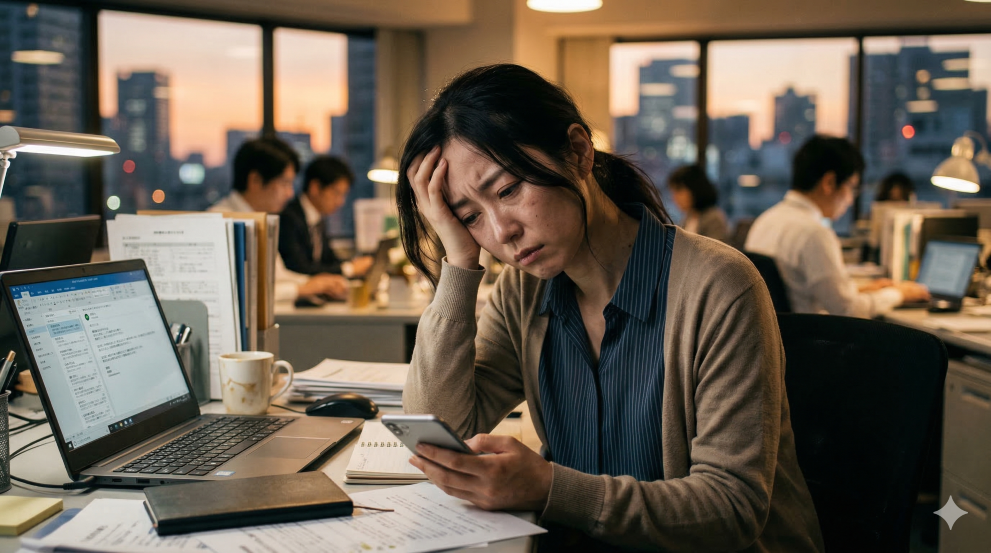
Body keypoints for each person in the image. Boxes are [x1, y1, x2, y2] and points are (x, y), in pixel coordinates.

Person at [397, 64, 823, 551]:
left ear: (579, 152)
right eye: (471, 216)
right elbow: (439, 434)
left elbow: (732, 507)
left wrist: (550, 489)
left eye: (509, 190)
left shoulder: (719, 285)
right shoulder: (523, 292)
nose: (501, 232)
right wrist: (458, 262)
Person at [745, 135, 930, 317]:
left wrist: (863, 290)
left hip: (778, 333)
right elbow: (849, 311)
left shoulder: (765, 221)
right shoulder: (814, 234)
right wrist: (898, 294)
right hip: (809, 334)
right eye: (852, 187)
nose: (850, 200)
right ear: (829, 182)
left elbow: (802, 290)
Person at [210, 137, 349, 302]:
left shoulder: (258, 221)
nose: (290, 193)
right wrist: (302, 288)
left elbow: (278, 276)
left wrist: (320, 283)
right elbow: (239, 294)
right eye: (285, 183)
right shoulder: (220, 222)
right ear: (255, 181)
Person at [279, 155, 373, 277]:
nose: (341, 202)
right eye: (336, 193)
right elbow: (298, 268)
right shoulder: (288, 217)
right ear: (315, 187)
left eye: (343, 195)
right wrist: (349, 269)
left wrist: (354, 264)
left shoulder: (317, 218)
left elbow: (329, 259)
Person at [667, 164, 730, 241]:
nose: (674, 197)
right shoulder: (688, 217)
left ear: (694, 189)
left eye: (678, 191)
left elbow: (715, 248)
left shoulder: (713, 218)